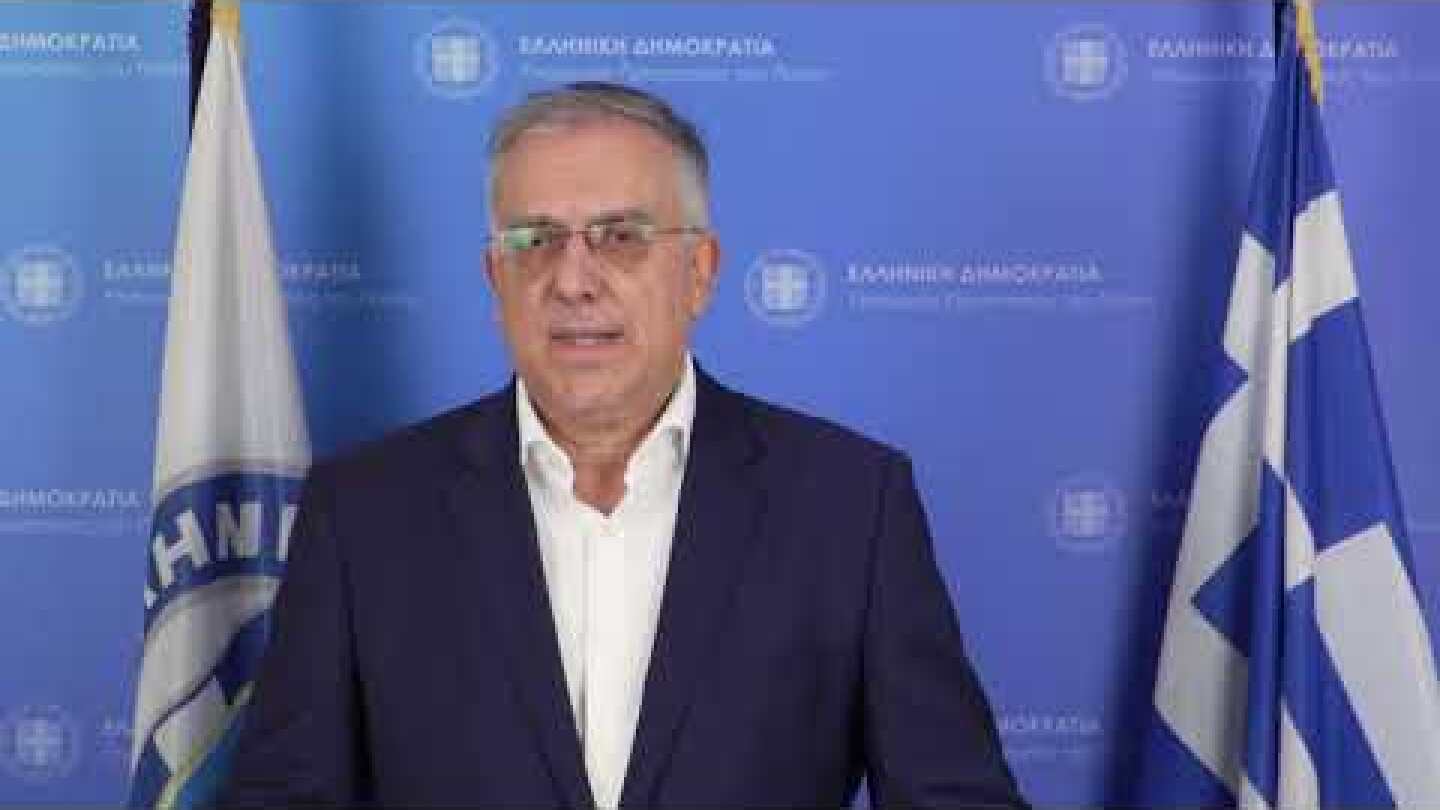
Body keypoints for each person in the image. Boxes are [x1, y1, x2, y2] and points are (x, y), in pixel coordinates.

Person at [222, 82, 1027, 809]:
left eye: (621, 237)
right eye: (536, 240)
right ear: (496, 279)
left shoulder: (850, 506)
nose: (573, 280)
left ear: (700, 272)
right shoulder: (365, 513)